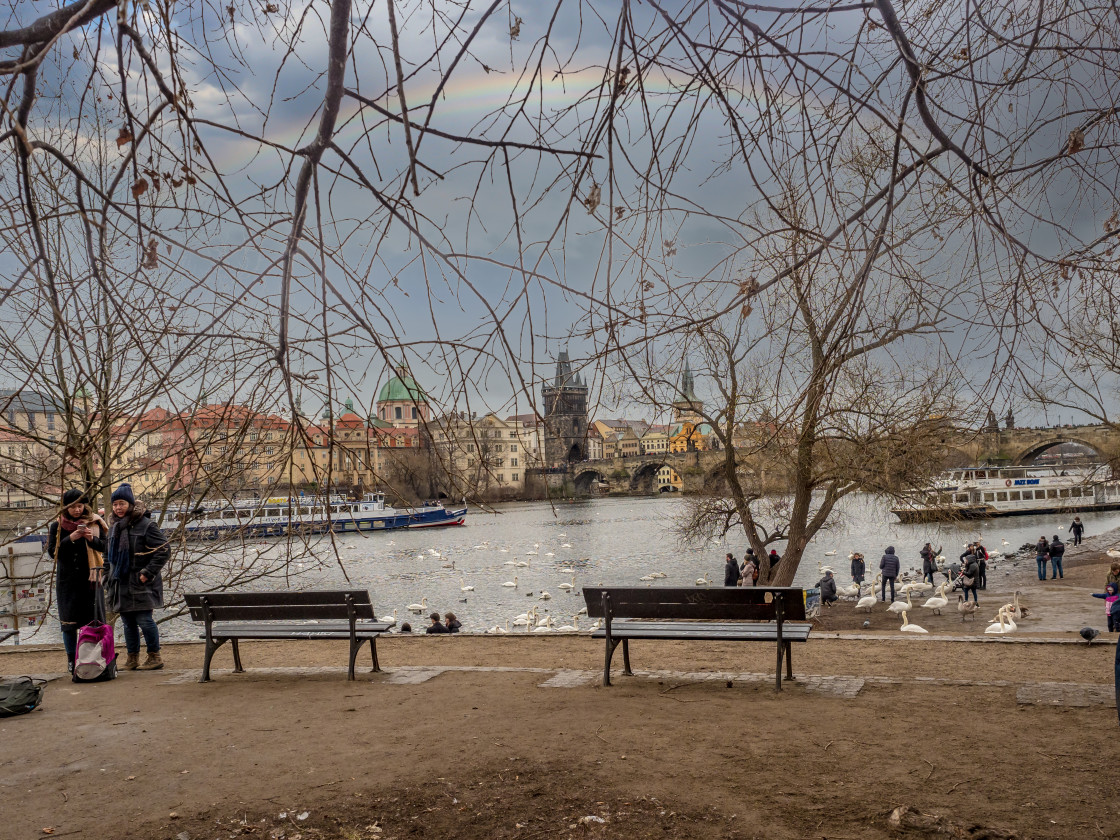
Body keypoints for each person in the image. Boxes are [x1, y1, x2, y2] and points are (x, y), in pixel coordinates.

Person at [105, 483, 170, 671]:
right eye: (115, 504)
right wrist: (106, 575)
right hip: (120, 582)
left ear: (131, 504)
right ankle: (132, 658)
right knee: (127, 623)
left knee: (144, 620)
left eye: (122, 503)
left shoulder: (146, 524)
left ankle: (154, 656)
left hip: (141, 582)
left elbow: (164, 550)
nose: (118, 508)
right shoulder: (114, 527)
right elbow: (107, 554)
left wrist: (147, 573)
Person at [47, 489, 108, 673]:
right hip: (67, 582)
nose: (77, 510)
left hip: (91, 581)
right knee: (68, 624)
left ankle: (92, 658)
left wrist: (91, 539)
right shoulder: (57, 526)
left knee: (93, 622)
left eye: (80, 505)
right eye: (73, 506)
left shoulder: (95, 522)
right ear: (66, 507)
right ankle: (71, 659)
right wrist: (70, 539)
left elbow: (106, 547)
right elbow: (52, 553)